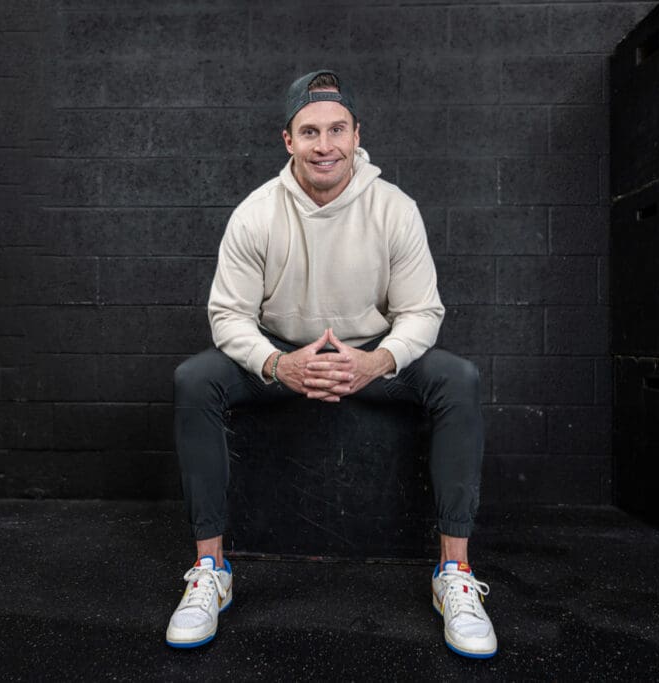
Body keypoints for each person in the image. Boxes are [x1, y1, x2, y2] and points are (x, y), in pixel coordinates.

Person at [165, 69, 497, 659]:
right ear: (288, 140)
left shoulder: (395, 209)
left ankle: (455, 573)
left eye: (337, 130)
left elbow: (422, 311)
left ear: (356, 135)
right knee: (195, 380)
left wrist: (379, 361)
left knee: (458, 379)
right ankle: (210, 570)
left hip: (368, 356)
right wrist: (276, 364)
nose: (325, 145)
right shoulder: (256, 214)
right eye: (310, 132)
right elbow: (228, 316)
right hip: (283, 355)